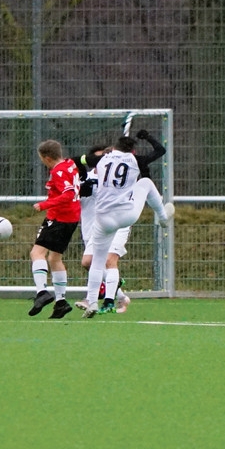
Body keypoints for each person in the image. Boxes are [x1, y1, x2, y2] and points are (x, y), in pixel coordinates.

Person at [74, 130, 166, 313]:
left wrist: (82, 176)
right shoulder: (136, 160)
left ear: (114, 148)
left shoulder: (101, 159)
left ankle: (92, 302)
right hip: (126, 215)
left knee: (97, 261)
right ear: (132, 150)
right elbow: (160, 151)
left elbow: (76, 160)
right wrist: (148, 137)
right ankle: (163, 217)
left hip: (103, 218)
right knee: (146, 183)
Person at [28, 139, 81, 319]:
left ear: (47, 158)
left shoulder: (58, 171)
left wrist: (44, 204)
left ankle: (42, 292)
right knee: (54, 258)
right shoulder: (69, 164)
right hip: (72, 217)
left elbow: (68, 194)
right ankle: (61, 302)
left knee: (37, 253)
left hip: (58, 218)